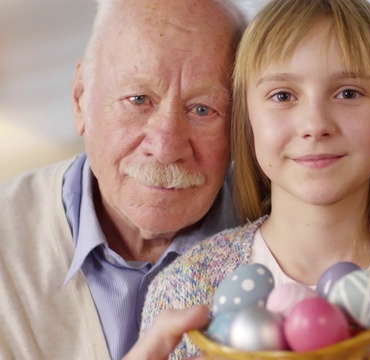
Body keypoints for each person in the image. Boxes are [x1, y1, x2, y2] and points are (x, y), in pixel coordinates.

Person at [140, 0, 370, 358]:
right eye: (282, 95)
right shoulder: (184, 291)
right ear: (247, 122)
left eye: (348, 93)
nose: (315, 125)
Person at [0, 0, 244, 358]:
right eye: (139, 99)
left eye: (203, 109)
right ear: (81, 99)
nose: (165, 147)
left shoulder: (288, 235)